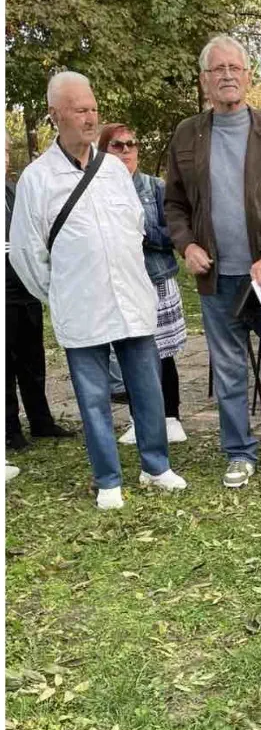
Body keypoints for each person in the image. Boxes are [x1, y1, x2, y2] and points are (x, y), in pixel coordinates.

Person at [10, 72, 186, 508]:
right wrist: (61, 291)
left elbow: (135, 226)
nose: (90, 118)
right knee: (93, 398)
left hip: (131, 296)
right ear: (55, 115)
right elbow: (27, 253)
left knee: (147, 388)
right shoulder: (37, 178)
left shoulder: (111, 169)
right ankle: (108, 479)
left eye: (93, 109)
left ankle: (155, 466)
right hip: (81, 305)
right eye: (79, 110)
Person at [164, 34, 261, 489]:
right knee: (229, 373)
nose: (227, 76)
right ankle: (239, 453)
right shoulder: (187, 134)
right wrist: (187, 245)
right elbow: (174, 204)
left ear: (249, 77)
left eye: (235, 68)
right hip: (217, 280)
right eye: (218, 69)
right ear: (204, 80)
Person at [99, 123, 189, 447]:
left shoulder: (155, 187)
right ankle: (140, 419)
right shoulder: (98, 190)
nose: (126, 150)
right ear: (103, 152)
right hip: (119, 282)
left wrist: (143, 233)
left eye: (131, 144)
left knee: (162, 352)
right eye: (117, 145)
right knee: (129, 353)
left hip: (155, 278)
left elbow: (176, 234)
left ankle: (171, 417)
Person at [7, 179, 77, 452]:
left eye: (6, 156)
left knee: (33, 361)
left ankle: (41, 421)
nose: (4, 160)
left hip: (27, 291)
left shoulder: (15, 191)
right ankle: (9, 430)